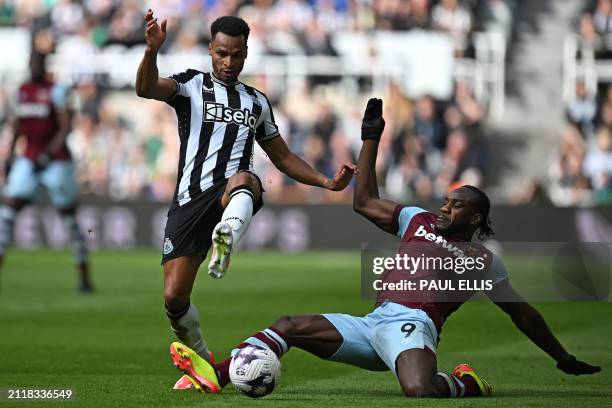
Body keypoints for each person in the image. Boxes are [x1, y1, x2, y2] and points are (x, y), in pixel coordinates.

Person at [167, 99, 601, 396]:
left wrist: (562, 357)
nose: (445, 207)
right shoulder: (419, 220)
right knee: (288, 325)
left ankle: (467, 383)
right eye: (447, 200)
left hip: (413, 327)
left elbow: (522, 313)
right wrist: (371, 136)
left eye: (457, 205)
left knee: (419, 391)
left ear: (476, 219)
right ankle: (216, 375)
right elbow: (364, 202)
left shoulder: (483, 261)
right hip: (374, 322)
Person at [135, 10, 356, 388]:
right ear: (210, 50)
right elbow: (144, 88)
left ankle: (226, 239)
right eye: (222, 53)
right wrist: (152, 51)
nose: (229, 62)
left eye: (236, 55)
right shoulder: (190, 86)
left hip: (231, 193)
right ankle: (205, 366)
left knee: (247, 178)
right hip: (189, 200)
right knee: (174, 299)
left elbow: (283, 157)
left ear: (246, 53)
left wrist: (325, 182)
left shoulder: (255, 101)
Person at [0, 52, 92, 293]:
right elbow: (18, 125)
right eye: (31, 63)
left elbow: (65, 126)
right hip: (29, 158)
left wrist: (49, 152)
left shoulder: (57, 90)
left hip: (56, 160)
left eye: (38, 63)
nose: (34, 67)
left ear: (44, 66)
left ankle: (84, 277)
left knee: (69, 218)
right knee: (7, 211)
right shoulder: (22, 90)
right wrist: (10, 154)